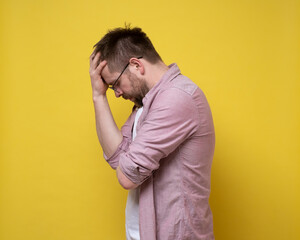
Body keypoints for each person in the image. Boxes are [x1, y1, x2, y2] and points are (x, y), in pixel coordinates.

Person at [89, 25, 215, 240]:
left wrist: (126, 166)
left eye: (116, 84)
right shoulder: (145, 105)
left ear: (136, 65)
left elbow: (127, 177)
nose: (117, 94)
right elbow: (117, 157)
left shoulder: (176, 98)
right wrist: (98, 96)